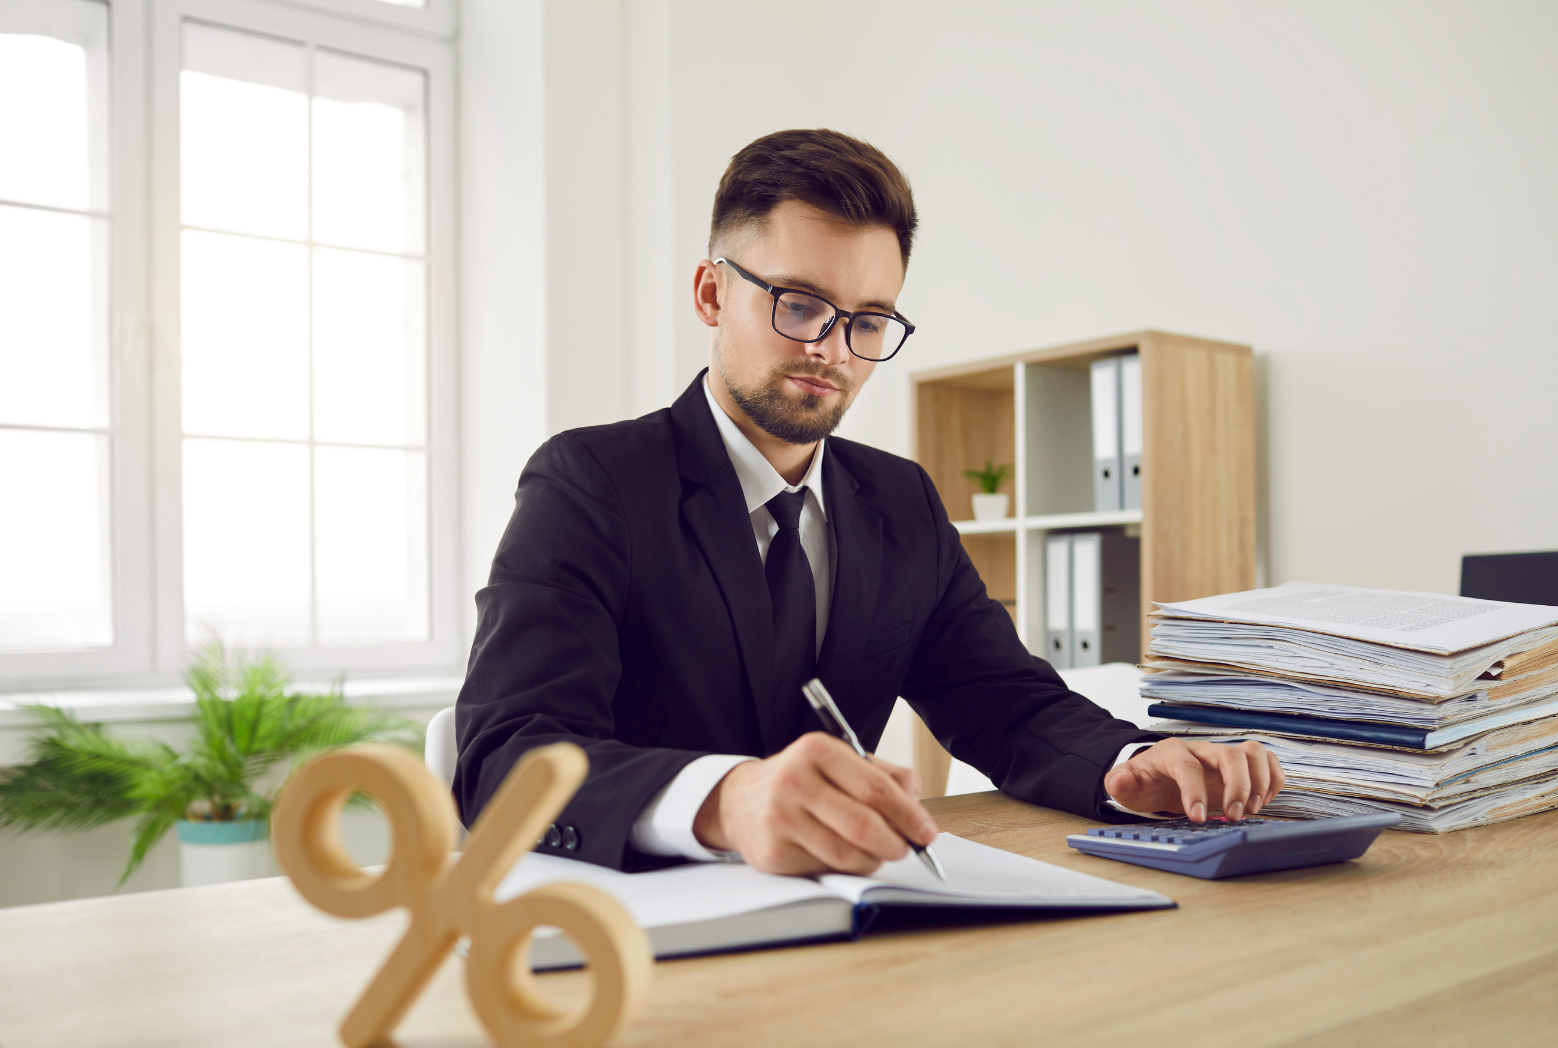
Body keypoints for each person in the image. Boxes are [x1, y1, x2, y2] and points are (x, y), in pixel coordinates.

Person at [454, 128, 1283, 875]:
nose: (830, 350)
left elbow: (1005, 703)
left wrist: (1130, 760)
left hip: (852, 921)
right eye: (799, 304)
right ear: (711, 294)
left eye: (868, 320)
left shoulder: (899, 501)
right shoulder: (591, 481)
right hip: (632, 937)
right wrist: (726, 801)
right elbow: (503, 757)